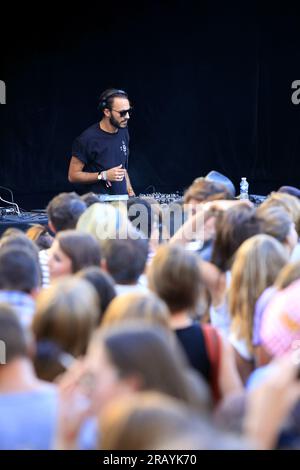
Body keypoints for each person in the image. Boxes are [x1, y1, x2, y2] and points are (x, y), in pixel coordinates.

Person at [68, 88, 135, 197]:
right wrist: (103, 175)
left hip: (121, 202)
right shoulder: (87, 139)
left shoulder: (124, 131)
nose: (127, 116)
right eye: (122, 113)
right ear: (107, 112)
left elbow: (122, 168)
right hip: (99, 207)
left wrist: (129, 188)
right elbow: (73, 176)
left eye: (129, 111)